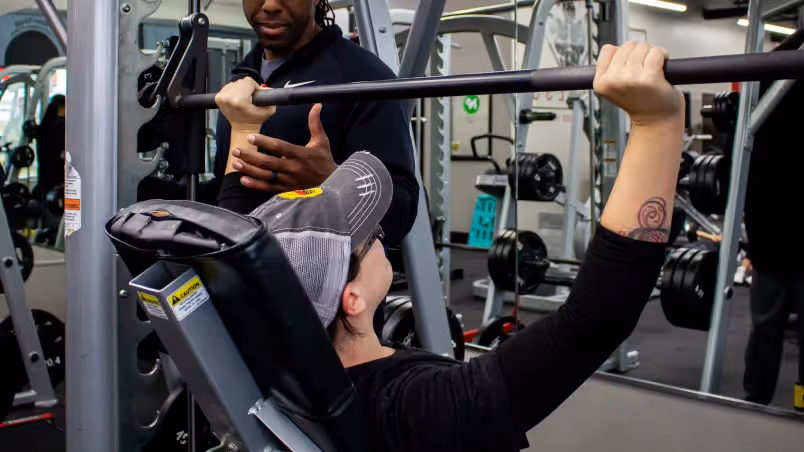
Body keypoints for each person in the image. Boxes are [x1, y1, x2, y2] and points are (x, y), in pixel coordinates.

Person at [217, 41, 683, 451]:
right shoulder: (412, 408)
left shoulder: (260, 356)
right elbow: (595, 320)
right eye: (365, 235)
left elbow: (231, 238)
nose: (379, 232)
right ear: (352, 299)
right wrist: (655, 124)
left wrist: (243, 124)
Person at [212, 0, 419, 249]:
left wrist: (332, 182)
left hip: (321, 278)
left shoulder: (364, 76)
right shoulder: (241, 78)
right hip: (242, 264)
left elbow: (401, 216)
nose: (270, 5)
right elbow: (231, 188)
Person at [743, 29, 804, 410]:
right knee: (767, 327)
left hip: (768, 228)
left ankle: (754, 402)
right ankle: (793, 403)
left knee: (766, 326)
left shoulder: (769, 64)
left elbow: (745, 158)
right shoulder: (772, 68)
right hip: (775, 228)